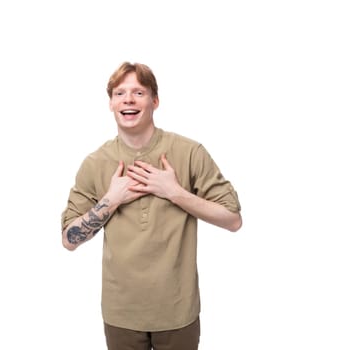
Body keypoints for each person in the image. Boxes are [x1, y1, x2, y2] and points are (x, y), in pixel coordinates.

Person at [61, 61, 242, 350]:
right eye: (120, 93)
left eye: (138, 92)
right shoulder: (95, 163)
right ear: (111, 103)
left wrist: (174, 192)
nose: (128, 100)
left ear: (155, 101)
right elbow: (68, 240)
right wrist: (110, 200)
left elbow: (232, 219)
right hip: (121, 313)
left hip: (177, 311)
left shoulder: (189, 152)